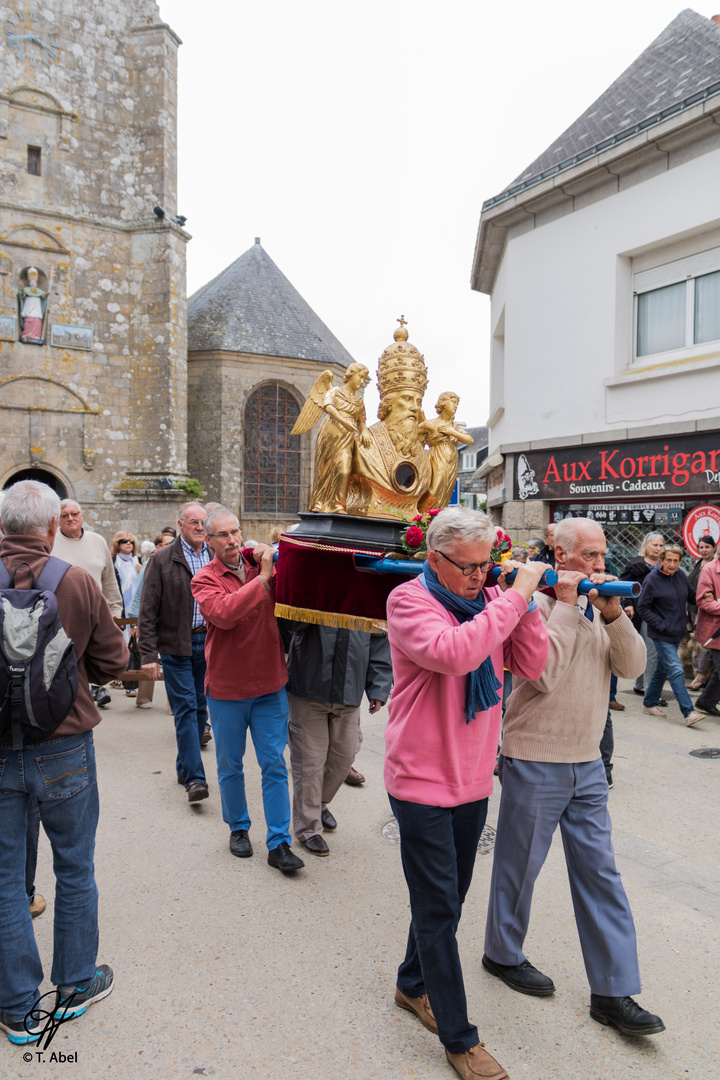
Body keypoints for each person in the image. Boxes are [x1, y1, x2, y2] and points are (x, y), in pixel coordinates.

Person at [384, 506, 550, 1080]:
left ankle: (411, 984)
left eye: (488, 565)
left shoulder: (489, 605)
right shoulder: (410, 600)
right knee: (437, 910)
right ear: (434, 559)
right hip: (421, 781)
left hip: (473, 779)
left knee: (447, 900)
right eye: (469, 567)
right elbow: (455, 654)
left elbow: (533, 663)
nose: (482, 576)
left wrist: (521, 605)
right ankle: (461, 1040)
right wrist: (513, 599)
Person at [483, 517, 665, 1038]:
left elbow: (630, 669)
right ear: (560, 558)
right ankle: (502, 953)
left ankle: (613, 991)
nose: (600, 565)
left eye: (603, 554)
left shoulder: (600, 605)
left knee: (601, 874)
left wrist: (614, 617)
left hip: (587, 761)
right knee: (519, 868)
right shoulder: (529, 603)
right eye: (588, 555)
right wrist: (566, 603)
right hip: (535, 756)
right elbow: (543, 673)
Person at [0, 480, 127, 1045]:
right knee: (74, 866)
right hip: (65, 742)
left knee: (4, 879)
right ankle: (75, 984)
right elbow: (112, 660)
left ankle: (18, 1006)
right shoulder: (74, 581)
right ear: (53, 528)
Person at [191, 509, 304, 873]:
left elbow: (298, 577)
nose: (232, 541)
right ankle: (238, 827)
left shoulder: (259, 563)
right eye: (222, 535)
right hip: (226, 689)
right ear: (207, 541)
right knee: (229, 765)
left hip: (270, 684)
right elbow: (224, 614)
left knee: (274, 765)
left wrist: (273, 559)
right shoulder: (204, 579)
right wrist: (263, 580)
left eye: (235, 532)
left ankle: (279, 841)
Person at [282, 623, 392, 855]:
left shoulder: (365, 592)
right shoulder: (311, 588)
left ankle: (316, 804)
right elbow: (288, 626)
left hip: (349, 690)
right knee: (309, 763)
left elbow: (379, 640)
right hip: (308, 686)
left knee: (344, 759)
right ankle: (308, 828)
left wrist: (378, 687)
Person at [139, 502, 212, 803]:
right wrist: (147, 655)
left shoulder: (214, 556)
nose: (199, 527)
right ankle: (195, 779)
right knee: (184, 709)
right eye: (193, 522)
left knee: (200, 708)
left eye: (203, 522)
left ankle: (184, 766)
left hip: (207, 645)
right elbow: (147, 609)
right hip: (175, 646)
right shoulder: (162, 559)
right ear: (180, 524)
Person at [52, 499, 123, 709]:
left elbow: (109, 580)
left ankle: (97, 688)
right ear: (57, 520)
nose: (70, 518)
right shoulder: (51, 542)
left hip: (95, 613)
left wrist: (116, 609)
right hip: (62, 615)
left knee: (96, 657)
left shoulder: (97, 541)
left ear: (82, 516)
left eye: (74, 514)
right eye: (65, 515)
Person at [638, 545, 704, 727]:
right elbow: (642, 608)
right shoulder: (652, 580)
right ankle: (688, 712)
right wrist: (661, 624)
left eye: (676, 560)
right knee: (676, 669)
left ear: (680, 562)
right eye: (668, 560)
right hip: (661, 634)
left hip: (677, 631)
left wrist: (703, 596)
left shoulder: (680, 575)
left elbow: (690, 596)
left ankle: (649, 703)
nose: (672, 564)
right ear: (661, 560)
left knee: (662, 669)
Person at [307, 363, 370, 513]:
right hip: (330, 433)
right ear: (351, 374)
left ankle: (338, 505)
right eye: (360, 377)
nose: (361, 382)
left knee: (344, 468)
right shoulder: (334, 392)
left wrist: (364, 431)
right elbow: (328, 407)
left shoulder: (359, 401)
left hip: (346, 439)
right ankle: (320, 502)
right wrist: (344, 421)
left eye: (364, 379)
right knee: (325, 468)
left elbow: (361, 421)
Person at [621, 532, 665, 697]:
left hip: (660, 612)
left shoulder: (665, 564)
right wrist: (627, 604)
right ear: (646, 545)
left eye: (661, 545)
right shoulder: (637, 564)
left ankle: (639, 685)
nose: (658, 548)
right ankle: (650, 690)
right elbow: (624, 585)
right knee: (650, 650)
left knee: (647, 649)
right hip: (642, 613)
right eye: (655, 545)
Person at [418, 392, 474, 509]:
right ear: (443, 403)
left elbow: (470, 440)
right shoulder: (429, 424)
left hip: (451, 462)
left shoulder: (453, 426)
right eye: (453, 402)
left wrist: (452, 432)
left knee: (446, 492)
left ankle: (437, 517)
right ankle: (424, 518)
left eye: (457, 404)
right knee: (434, 490)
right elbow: (414, 439)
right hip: (437, 460)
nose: (455, 406)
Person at [111, 532, 141, 698]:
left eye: (131, 541)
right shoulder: (113, 563)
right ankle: (118, 677)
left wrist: (142, 571)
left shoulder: (137, 562)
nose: (128, 544)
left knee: (132, 645)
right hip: (119, 608)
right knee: (119, 643)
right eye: (124, 541)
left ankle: (130, 681)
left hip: (134, 609)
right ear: (117, 544)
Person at [687, 535, 716, 691]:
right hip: (693, 608)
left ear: (714, 548)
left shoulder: (714, 565)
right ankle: (703, 674)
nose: (704, 550)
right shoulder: (698, 563)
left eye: (707, 547)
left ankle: (701, 676)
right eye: (701, 547)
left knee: (703, 643)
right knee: (696, 641)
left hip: (706, 610)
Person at [695, 547, 720, 717]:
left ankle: (706, 701)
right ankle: (706, 701)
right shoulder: (709, 569)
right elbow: (703, 601)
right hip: (715, 630)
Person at [17, 267, 52, 343]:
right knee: (29, 319)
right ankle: (26, 334)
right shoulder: (26, 289)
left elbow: (43, 295)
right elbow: (22, 295)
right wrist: (22, 289)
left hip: (36, 307)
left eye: (34, 280)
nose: (32, 282)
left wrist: (47, 294)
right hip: (29, 304)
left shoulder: (39, 291)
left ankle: (36, 336)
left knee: (37, 320)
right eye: (31, 280)